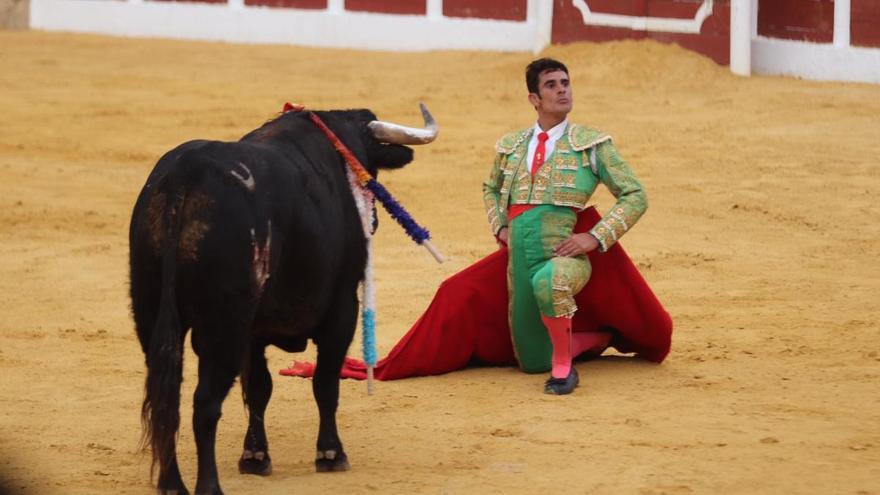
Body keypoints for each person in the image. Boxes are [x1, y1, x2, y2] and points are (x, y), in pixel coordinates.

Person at [482, 57, 648, 395]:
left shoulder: (591, 144)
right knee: (531, 360)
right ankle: (594, 340)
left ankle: (564, 371)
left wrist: (594, 236)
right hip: (521, 259)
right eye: (551, 85)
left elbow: (635, 194)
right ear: (534, 99)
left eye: (565, 83)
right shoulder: (511, 146)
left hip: (565, 255)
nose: (562, 90)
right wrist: (500, 227)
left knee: (552, 281)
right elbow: (490, 187)